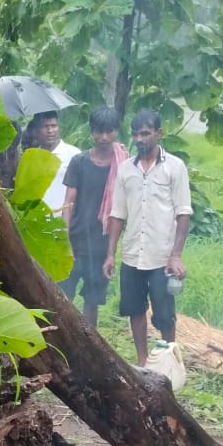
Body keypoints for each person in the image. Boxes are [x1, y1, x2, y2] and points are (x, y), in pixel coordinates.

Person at [102, 110, 192, 366]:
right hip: (132, 255)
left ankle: (170, 362)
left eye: (145, 133)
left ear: (158, 133)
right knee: (135, 310)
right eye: (135, 134)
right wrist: (111, 254)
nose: (139, 139)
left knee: (165, 315)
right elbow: (117, 214)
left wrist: (176, 255)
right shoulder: (125, 170)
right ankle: (142, 362)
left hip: (162, 257)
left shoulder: (174, 167)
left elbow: (183, 212)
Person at [60, 106, 127, 328]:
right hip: (76, 241)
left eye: (109, 131)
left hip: (101, 245)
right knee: (62, 299)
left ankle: (90, 344)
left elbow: (123, 210)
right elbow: (69, 202)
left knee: (92, 302)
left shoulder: (124, 166)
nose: (104, 137)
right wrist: (64, 239)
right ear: (92, 132)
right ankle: (62, 340)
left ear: (116, 131)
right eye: (99, 131)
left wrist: (111, 253)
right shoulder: (80, 162)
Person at [26, 110, 81, 215]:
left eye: (54, 126)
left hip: (66, 221)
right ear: (36, 131)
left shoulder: (74, 155)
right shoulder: (31, 158)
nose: (50, 130)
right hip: (39, 221)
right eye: (45, 127)